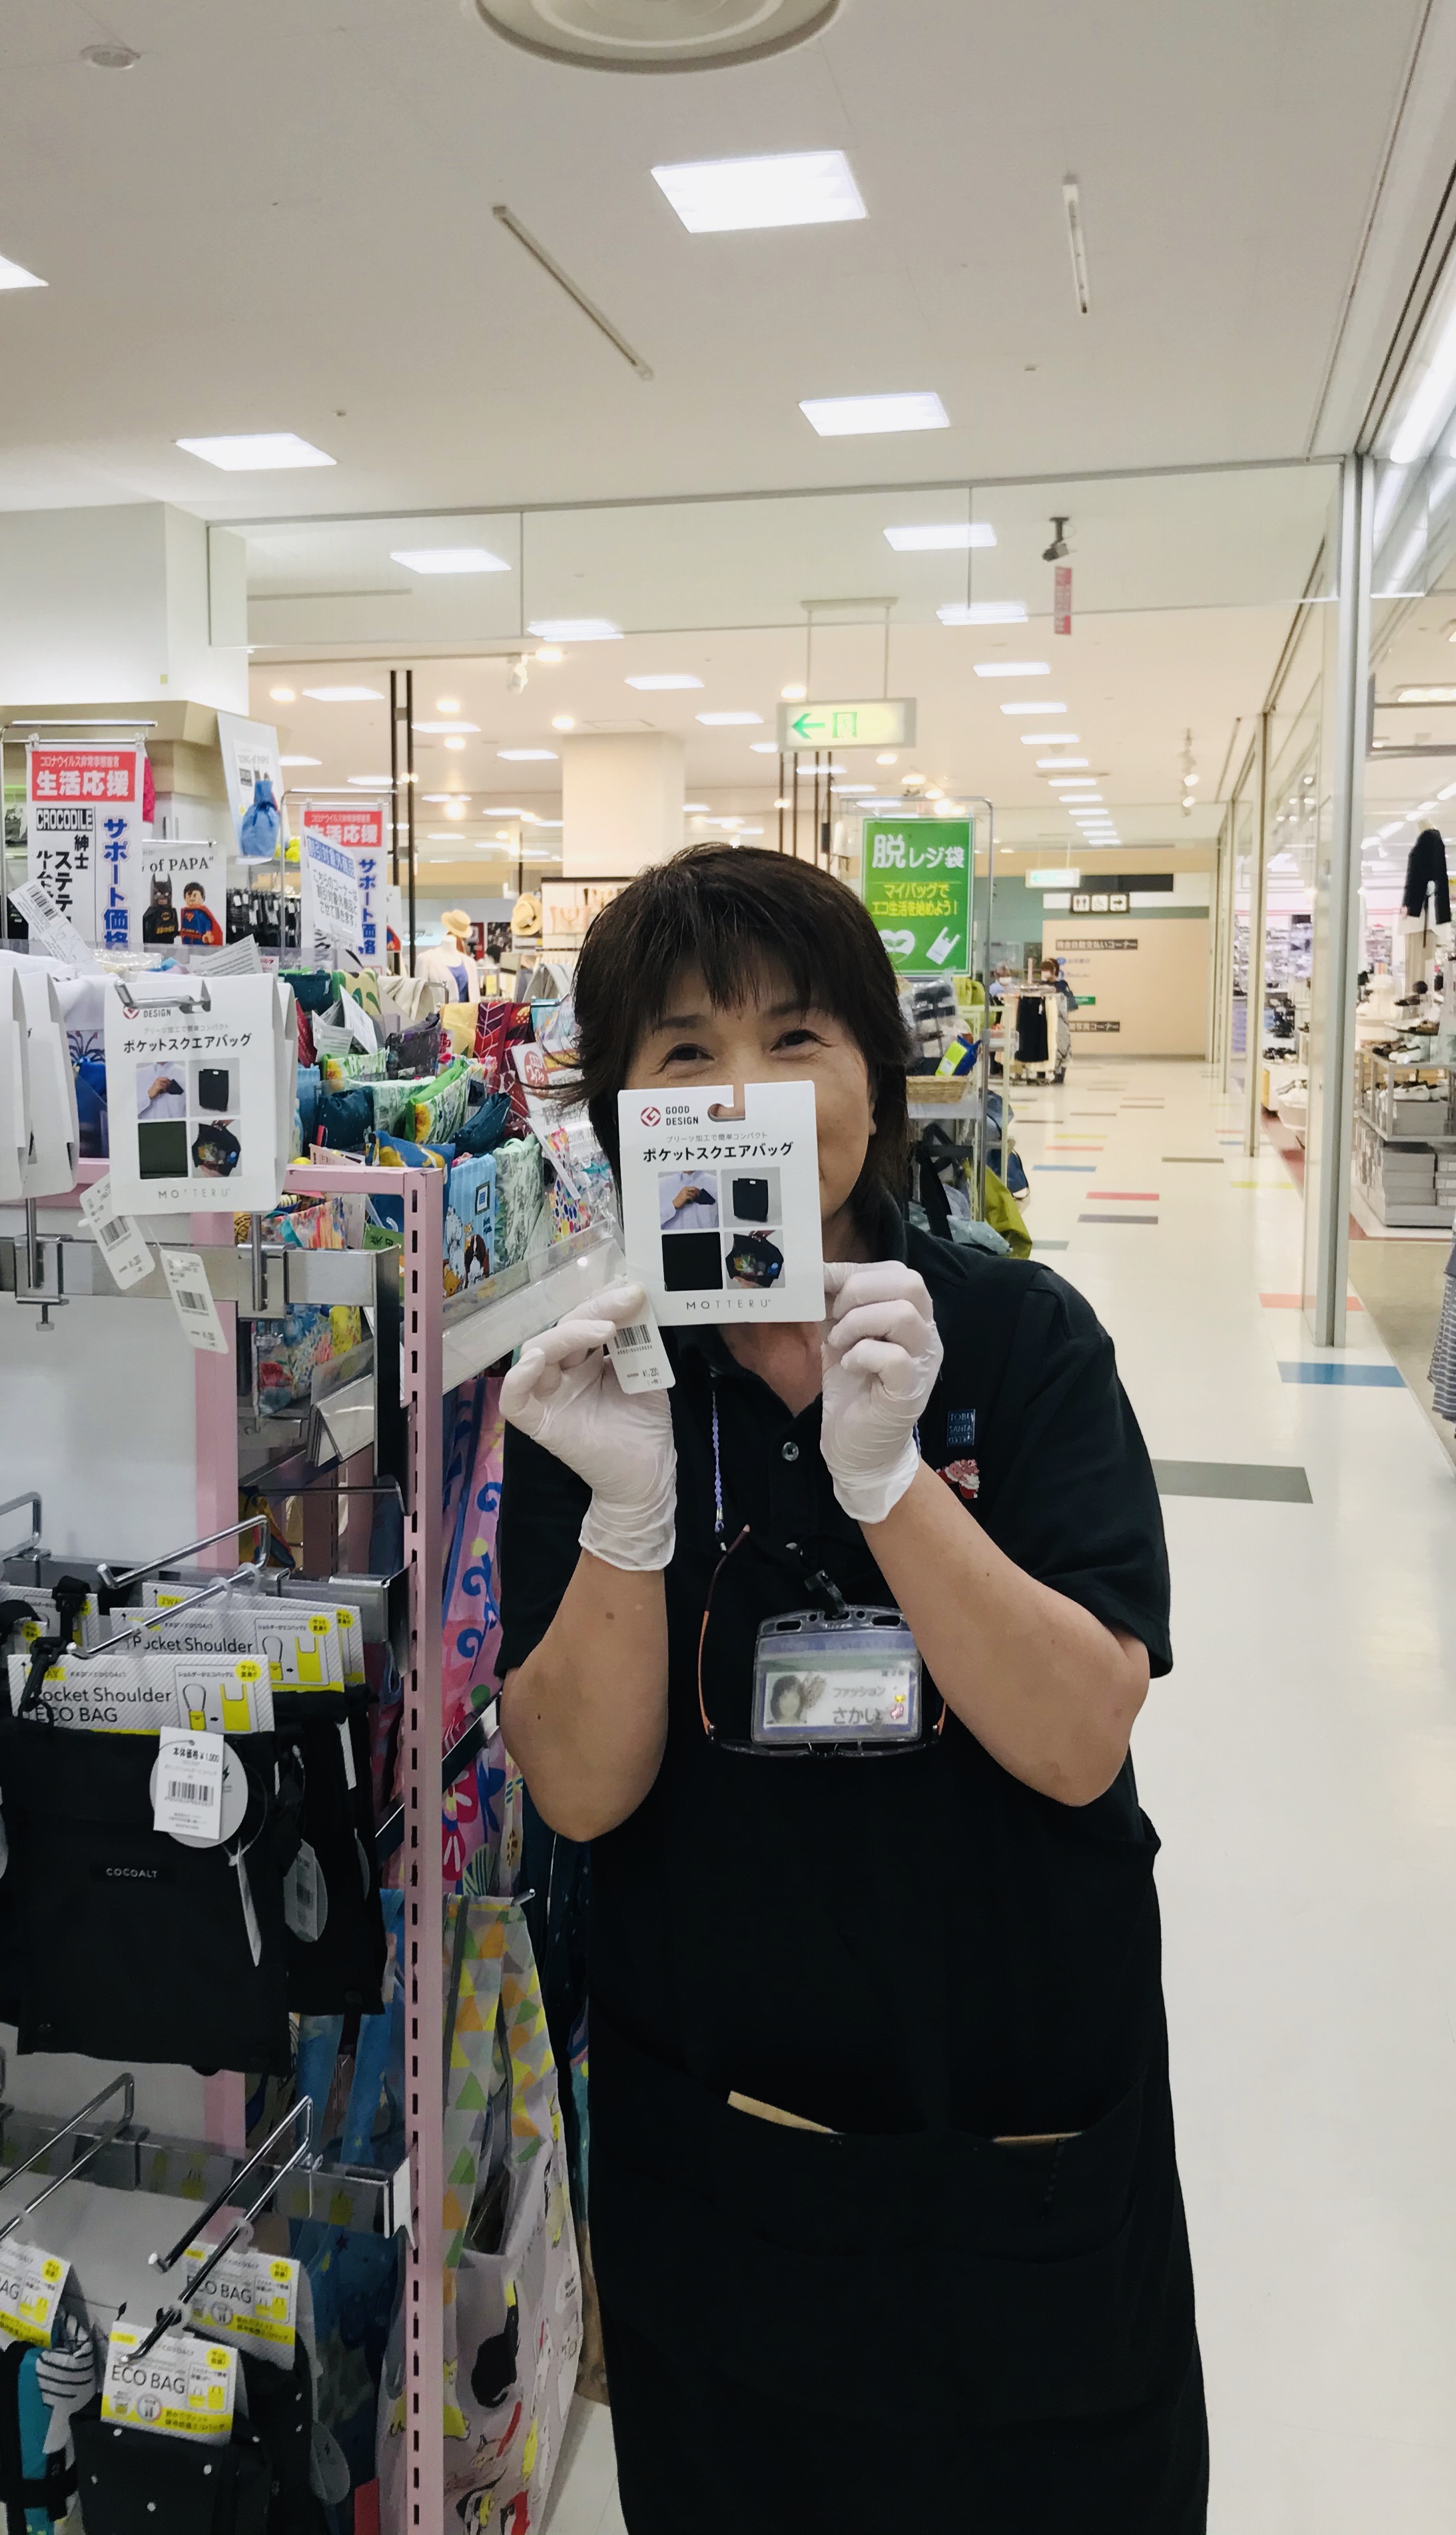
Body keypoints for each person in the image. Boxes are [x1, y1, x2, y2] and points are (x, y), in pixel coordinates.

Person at [496, 845, 1204, 2533]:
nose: (745, 1090)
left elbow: (1079, 1736)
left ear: (877, 1081)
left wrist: (889, 1486)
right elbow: (577, 1789)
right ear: (621, 1115)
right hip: (720, 2144)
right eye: (686, 1051)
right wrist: (626, 1511)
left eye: (795, 1037)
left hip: (1013, 2130)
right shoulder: (595, 1387)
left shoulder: (1020, 1340)